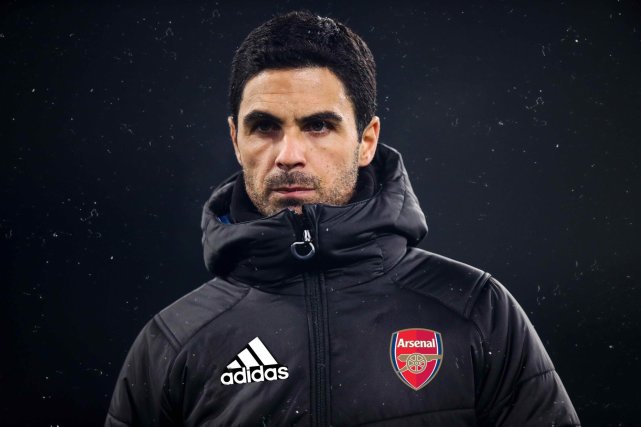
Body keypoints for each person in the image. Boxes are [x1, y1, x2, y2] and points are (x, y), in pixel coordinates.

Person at [106, 11, 580, 427]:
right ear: (236, 140)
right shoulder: (173, 340)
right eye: (265, 126)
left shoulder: (476, 310)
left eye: (318, 125)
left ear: (366, 140)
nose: (289, 155)